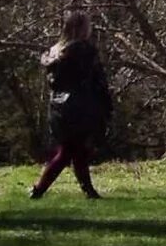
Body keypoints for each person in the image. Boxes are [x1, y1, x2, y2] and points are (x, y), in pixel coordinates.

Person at [32, 11, 111, 200]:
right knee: (69, 151)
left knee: (78, 150)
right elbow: (95, 79)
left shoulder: (55, 51)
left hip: (59, 107)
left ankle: (89, 191)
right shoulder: (83, 50)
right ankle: (39, 189)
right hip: (80, 106)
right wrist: (105, 104)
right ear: (83, 28)